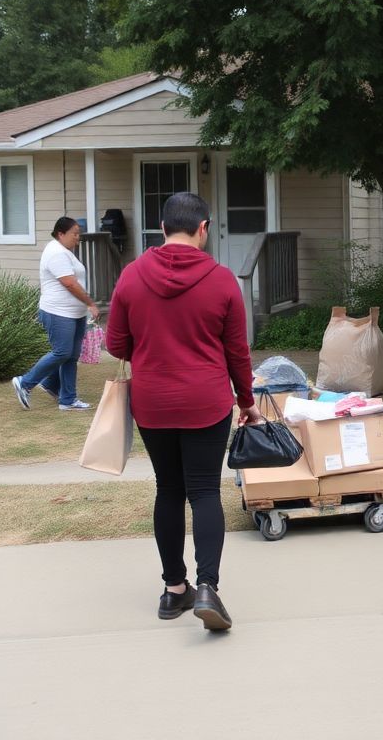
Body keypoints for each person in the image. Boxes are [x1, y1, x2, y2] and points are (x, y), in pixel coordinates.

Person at [106, 192, 262, 631]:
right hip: (206, 400)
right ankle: (208, 587)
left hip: (152, 403)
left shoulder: (132, 277)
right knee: (205, 492)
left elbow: (116, 344)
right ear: (204, 228)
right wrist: (247, 402)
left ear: (161, 228)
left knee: (168, 490)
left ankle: (174, 590)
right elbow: (238, 352)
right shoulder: (222, 280)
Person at [11, 217, 101, 411]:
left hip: (73, 313)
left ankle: (66, 398)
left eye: (79, 234)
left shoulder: (66, 252)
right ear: (61, 234)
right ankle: (25, 383)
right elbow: (69, 283)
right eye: (74, 234)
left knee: (70, 356)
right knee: (62, 352)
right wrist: (90, 304)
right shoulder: (56, 252)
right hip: (58, 312)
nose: (78, 238)